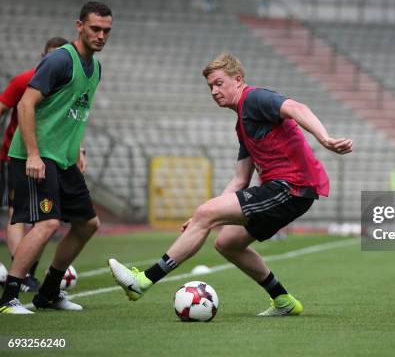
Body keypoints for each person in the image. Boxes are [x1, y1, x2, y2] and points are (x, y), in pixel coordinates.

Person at [109, 53, 352, 316]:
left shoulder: (255, 98)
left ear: (237, 80)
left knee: (208, 215)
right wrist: (204, 214)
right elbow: (240, 179)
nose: (214, 91)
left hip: (291, 186)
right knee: (227, 243)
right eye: (210, 86)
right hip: (284, 189)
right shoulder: (242, 125)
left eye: (219, 83)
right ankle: (283, 301)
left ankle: (142, 281)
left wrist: (325, 139)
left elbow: (297, 108)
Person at [0, 1, 112, 314]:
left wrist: (78, 150)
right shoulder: (60, 60)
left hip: (62, 159)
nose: (101, 35)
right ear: (79, 26)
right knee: (48, 223)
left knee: (88, 224)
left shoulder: (96, 68)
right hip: (35, 158)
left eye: (106, 30)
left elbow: (72, 113)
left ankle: (48, 293)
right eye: (95, 29)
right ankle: (8, 297)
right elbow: (25, 105)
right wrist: (33, 155)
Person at [0, 37, 72, 293]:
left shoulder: (68, 82)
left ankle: (23, 272)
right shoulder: (24, 81)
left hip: (51, 157)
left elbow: (71, 119)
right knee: (17, 215)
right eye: (49, 57)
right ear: (43, 56)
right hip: (18, 157)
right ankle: (19, 274)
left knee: (45, 219)